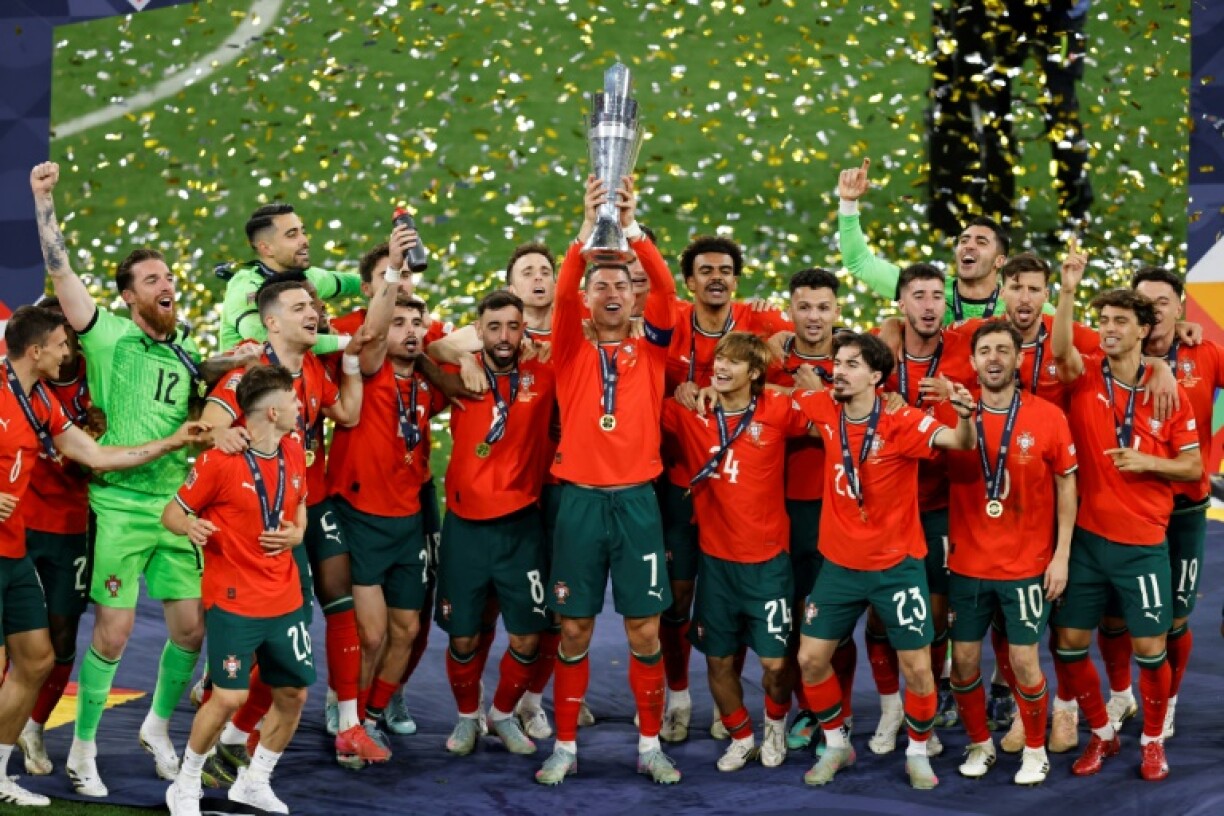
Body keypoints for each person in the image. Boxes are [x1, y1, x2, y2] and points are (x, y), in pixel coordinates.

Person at [30, 161, 248, 796]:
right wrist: (43, 202)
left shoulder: (180, 354)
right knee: (116, 632)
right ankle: (85, 748)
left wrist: (229, 361)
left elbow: (185, 382)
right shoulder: (106, 335)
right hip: (120, 505)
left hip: (173, 506)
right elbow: (62, 271)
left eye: (170, 277)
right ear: (128, 295)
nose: (167, 284)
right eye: (153, 279)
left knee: (190, 629)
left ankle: (156, 725)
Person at [0, 305, 203, 808]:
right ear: (35, 350)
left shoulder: (41, 401)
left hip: (13, 547)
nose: (71, 349)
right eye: (61, 343)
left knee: (40, 656)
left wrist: (171, 441)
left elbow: (98, 456)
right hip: (14, 541)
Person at [198, 276, 390, 771]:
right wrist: (231, 439)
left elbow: (346, 412)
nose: (313, 313)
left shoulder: (312, 367)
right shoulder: (250, 366)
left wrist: (349, 364)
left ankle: (349, 725)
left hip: (312, 499)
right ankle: (232, 730)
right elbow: (214, 422)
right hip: (264, 514)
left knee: (341, 598)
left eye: (314, 305)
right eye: (300, 306)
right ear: (272, 321)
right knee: (284, 628)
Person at [533, 174, 680, 786]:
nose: (614, 291)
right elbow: (563, 294)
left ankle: (649, 745)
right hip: (580, 506)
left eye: (623, 284)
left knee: (645, 629)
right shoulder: (569, 349)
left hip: (639, 505)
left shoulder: (654, 352)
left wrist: (634, 227)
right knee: (574, 627)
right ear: (589, 300)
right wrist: (587, 227)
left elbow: (669, 295)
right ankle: (565, 746)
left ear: (634, 297)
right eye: (603, 285)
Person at [793, 331, 977, 790]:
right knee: (810, 659)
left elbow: (958, 440)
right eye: (838, 362)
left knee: (917, 667)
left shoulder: (901, 420)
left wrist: (967, 415)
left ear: (876, 376)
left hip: (897, 566)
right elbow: (777, 393)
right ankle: (837, 743)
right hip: (839, 565)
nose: (839, 369)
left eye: (852, 363)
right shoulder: (822, 408)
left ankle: (917, 751)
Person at [1051, 241, 1201, 782]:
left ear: (1144, 329)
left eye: (1120, 320)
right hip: (1088, 541)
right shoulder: (1087, 375)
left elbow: (1192, 468)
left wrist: (1146, 461)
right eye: (1103, 320)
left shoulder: (1170, 392)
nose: (1108, 328)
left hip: (1143, 543)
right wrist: (1066, 290)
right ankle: (1103, 734)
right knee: (1068, 645)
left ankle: (1153, 742)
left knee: (1148, 649)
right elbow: (1062, 349)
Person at [657, 235, 792, 743]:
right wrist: (676, 391)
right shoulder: (667, 321)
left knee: (725, 595)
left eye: (726, 271)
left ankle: (724, 699)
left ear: (737, 280)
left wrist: (758, 385)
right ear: (688, 282)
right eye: (705, 270)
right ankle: (677, 696)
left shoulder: (762, 322)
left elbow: (812, 348)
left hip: (739, 488)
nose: (716, 278)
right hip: (678, 481)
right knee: (678, 596)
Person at [162, 365, 312, 816]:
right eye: (293, 398)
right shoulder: (219, 461)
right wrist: (191, 526)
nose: (300, 405)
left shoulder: (295, 449)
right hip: (233, 599)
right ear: (272, 410)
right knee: (228, 696)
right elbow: (171, 513)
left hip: (284, 599)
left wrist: (297, 535)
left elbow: (299, 505)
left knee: (293, 695)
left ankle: (253, 782)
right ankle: (185, 785)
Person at [1088, 267, 1224, 740]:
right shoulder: (1113, 353)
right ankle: (1123, 694)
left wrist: (1169, 362)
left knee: (1175, 616)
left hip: (1183, 507)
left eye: (1163, 301)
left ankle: (1166, 702)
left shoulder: (1204, 351)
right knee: (1114, 615)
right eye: (1145, 301)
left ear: (1179, 308)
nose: (1154, 309)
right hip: (1121, 509)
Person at [664, 332, 809, 771]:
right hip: (716, 564)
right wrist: (678, 388)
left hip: (768, 564)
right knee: (719, 659)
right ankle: (742, 735)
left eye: (733, 362)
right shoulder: (691, 412)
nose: (721, 368)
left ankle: (775, 728)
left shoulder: (778, 411)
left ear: (755, 373)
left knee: (775, 663)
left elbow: (832, 413)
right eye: (718, 360)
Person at [945, 321, 1077, 785]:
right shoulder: (954, 413)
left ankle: (1036, 750)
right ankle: (980, 743)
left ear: (1018, 359)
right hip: (966, 564)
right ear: (974, 362)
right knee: (962, 663)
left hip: (1025, 565)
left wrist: (1061, 555)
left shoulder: (1047, 416)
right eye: (986, 350)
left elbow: (1067, 484)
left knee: (1023, 661)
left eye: (1004, 349)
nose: (995, 357)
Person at [326, 293, 447, 759]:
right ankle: (349, 720)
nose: (411, 330)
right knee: (371, 634)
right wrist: (389, 279)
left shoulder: (425, 386)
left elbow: (459, 349)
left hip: (408, 523)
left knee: (406, 630)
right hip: (361, 519)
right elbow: (363, 339)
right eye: (399, 323)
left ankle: (372, 718)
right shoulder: (367, 373)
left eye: (418, 322)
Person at [437, 290, 556, 756]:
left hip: (521, 527)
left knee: (527, 634)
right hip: (465, 527)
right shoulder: (456, 376)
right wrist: (460, 358)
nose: (504, 336)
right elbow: (426, 351)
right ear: (478, 331)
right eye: (493, 327)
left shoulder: (544, 377)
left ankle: (504, 714)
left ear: (524, 328)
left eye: (513, 326)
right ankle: (468, 717)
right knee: (464, 635)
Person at [866, 263, 976, 755]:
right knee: (877, 617)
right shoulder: (877, 345)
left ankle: (922, 712)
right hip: (882, 507)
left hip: (938, 507)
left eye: (937, 296)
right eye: (918, 296)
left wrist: (954, 397)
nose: (929, 305)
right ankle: (891, 711)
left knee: (931, 618)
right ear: (901, 304)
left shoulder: (965, 351)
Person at [762, 269, 858, 754]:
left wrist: (800, 397)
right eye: (804, 307)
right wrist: (808, 396)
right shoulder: (768, 357)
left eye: (823, 307)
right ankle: (809, 709)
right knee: (794, 621)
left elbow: (846, 428)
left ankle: (837, 715)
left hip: (836, 509)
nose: (814, 317)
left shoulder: (854, 361)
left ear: (836, 312)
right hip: (780, 511)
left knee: (831, 625)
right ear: (790, 310)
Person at [15, 297, 99, 777]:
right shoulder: (21, 382)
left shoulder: (98, 374)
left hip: (73, 526)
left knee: (63, 636)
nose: (65, 345)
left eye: (71, 334)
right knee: (17, 636)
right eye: (58, 336)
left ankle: (34, 725)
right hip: (20, 521)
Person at [926, 0, 1093, 237]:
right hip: (1024, 13)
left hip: (1058, 15)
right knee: (1001, 108)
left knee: (1058, 112)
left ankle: (1072, 213)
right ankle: (1001, 210)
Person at [836, 158, 1048, 323]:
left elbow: (1070, 339)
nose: (969, 246)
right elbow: (859, 262)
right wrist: (848, 202)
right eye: (964, 240)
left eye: (981, 242)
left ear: (999, 261)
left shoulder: (1022, 300)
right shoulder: (928, 290)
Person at [219, 203, 365, 352]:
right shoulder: (245, 289)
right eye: (292, 235)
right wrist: (352, 342)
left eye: (303, 232)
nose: (305, 241)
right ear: (266, 248)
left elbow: (364, 283)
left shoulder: (308, 276)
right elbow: (277, 341)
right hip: (254, 374)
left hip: (303, 371)